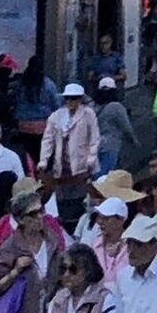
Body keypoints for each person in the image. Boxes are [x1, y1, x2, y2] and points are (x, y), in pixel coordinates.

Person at [40, 82, 102, 223]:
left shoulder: (88, 114)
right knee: (62, 199)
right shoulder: (56, 116)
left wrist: (91, 158)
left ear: (80, 99)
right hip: (61, 166)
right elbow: (48, 140)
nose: (70, 101)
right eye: (67, 98)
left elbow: (94, 138)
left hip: (82, 165)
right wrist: (43, 159)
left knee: (80, 199)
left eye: (73, 98)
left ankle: (79, 223)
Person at [95, 77, 138, 174]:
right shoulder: (116, 107)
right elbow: (126, 127)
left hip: (96, 144)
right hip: (111, 145)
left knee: (98, 173)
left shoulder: (94, 107)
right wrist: (134, 140)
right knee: (108, 174)